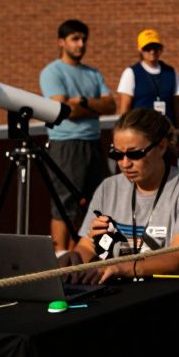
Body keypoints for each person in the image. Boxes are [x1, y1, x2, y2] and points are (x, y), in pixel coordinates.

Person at [63, 108, 179, 282]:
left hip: (171, 293)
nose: (124, 163)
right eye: (117, 154)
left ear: (161, 146)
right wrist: (74, 259)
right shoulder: (108, 187)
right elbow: (87, 247)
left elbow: (178, 260)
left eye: (134, 154)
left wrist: (120, 268)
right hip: (118, 290)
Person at [40, 19, 117, 253]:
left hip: (93, 143)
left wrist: (81, 101)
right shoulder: (52, 72)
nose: (81, 44)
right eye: (75, 39)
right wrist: (91, 106)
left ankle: (81, 258)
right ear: (61, 42)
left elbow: (111, 105)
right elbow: (64, 110)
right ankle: (60, 259)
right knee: (65, 205)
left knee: (98, 203)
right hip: (65, 145)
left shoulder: (93, 73)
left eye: (84, 39)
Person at [115, 29, 179, 126]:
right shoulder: (131, 73)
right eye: (147, 48)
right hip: (142, 132)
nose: (152, 51)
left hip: (166, 131)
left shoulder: (171, 72)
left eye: (155, 48)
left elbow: (178, 108)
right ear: (140, 49)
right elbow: (124, 109)